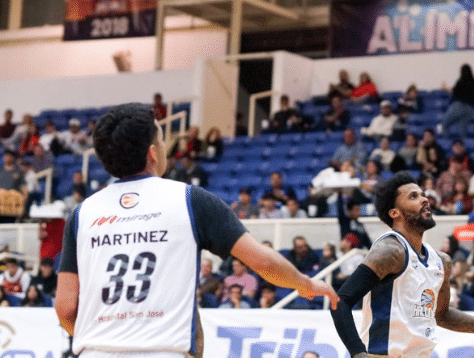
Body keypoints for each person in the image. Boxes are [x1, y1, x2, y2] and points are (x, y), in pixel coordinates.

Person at [54, 103, 337, 358]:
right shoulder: (190, 199)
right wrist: (306, 284)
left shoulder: (82, 214)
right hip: (164, 351)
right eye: (163, 141)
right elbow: (262, 261)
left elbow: (65, 309)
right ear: (153, 153)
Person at [329, 171, 474, 357]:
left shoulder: (442, 261)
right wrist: (358, 354)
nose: (424, 199)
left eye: (422, 194)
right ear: (395, 213)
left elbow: (442, 315)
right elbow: (341, 301)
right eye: (413, 196)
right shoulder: (390, 251)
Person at [439, 64, 474, 139]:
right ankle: (462, 148)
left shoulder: (461, 81)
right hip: (470, 109)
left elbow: (454, 92)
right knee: (463, 133)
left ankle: (447, 144)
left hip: (458, 106)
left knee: (444, 125)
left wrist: (445, 88)